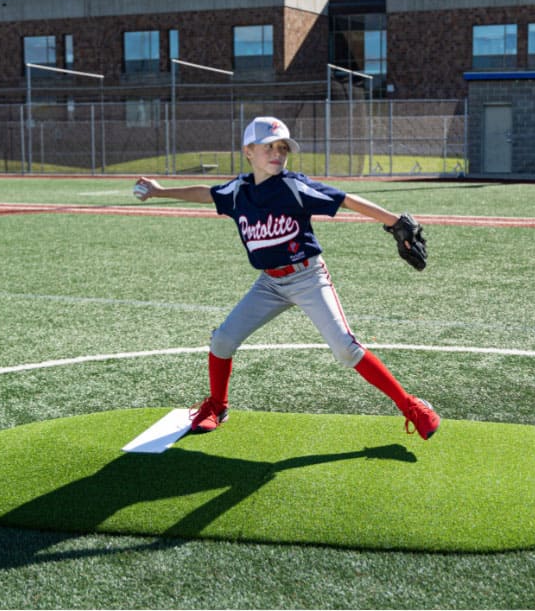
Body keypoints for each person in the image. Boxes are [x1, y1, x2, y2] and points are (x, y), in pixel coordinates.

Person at [133, 116, 440, 440]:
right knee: (222, 340)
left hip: (308, 276)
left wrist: (395, 223)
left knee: (345, 350)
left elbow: (344, 199)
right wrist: (159, 191)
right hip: (269, 283)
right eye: (269, 147)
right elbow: (206, 193)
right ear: (249, 151)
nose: (277, 153)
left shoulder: (293, 186)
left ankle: (411, 406)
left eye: (283, 147)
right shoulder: (238, 191)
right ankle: (217, 405)